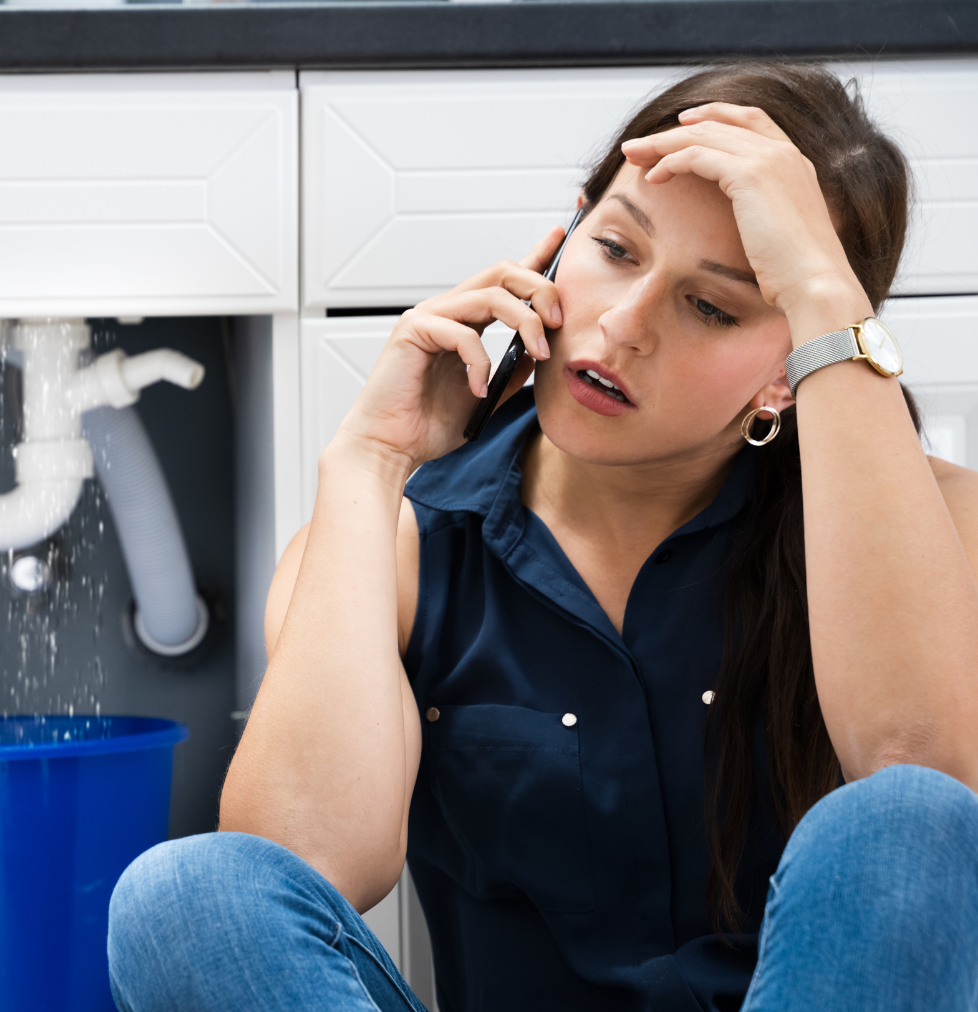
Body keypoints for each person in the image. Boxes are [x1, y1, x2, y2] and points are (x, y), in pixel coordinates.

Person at [107, 62, 978, 1012]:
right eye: (615, 247)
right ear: (562, 238)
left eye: (712, 305)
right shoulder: (399, 544)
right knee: (183, 896)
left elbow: (929, 799)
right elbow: (292, 870)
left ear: (786, 368)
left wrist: (820, 291)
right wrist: (368, 461)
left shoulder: (941, 526)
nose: (625, 321)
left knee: (910, 817)